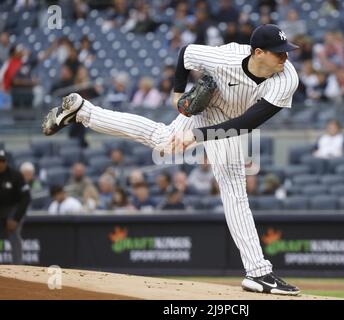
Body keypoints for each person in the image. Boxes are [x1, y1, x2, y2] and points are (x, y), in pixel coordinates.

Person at [42, 24, 301, 295]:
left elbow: (248, 122)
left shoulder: (287, 78)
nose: (285, 58)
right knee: (213, 176)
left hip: (233, 123)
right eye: (279, 53)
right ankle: (258, 273)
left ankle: (85, 111)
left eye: (286, 52)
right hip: (210, 107)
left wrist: (197, 136)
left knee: (213, 174)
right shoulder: (224, 58)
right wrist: (178, 95)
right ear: (258, 52)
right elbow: (185, 53)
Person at [0, 149, 31, 264]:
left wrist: (15, 218)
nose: (0, 164)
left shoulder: (16, 176)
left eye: (2, 161)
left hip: (13, 208)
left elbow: (26, 198)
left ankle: (18, 267)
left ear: (5, 162)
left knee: (13, 232)